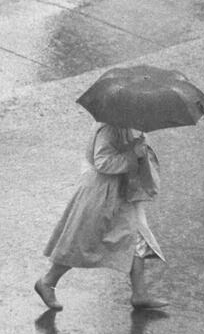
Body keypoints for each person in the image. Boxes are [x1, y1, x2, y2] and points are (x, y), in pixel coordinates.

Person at [36, 122, 168, 311]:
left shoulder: (128, 126)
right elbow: (102, 161)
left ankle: (139, 293)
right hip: (99, 193)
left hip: (119, 193)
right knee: (84, 242)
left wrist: (139, 149)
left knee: (136, 236)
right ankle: (48, 281)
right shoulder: (109, 128)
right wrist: (133, 155)